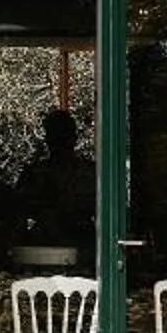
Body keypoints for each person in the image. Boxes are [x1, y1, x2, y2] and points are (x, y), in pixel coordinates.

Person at [13, 109, 98, 259]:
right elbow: (18, 213)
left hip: (83, 246)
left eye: (63, 135)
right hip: (42, 247)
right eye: (54, 135)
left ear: (73, 138)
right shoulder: (34, 173)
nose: (59, 142)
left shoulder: (90, 173)